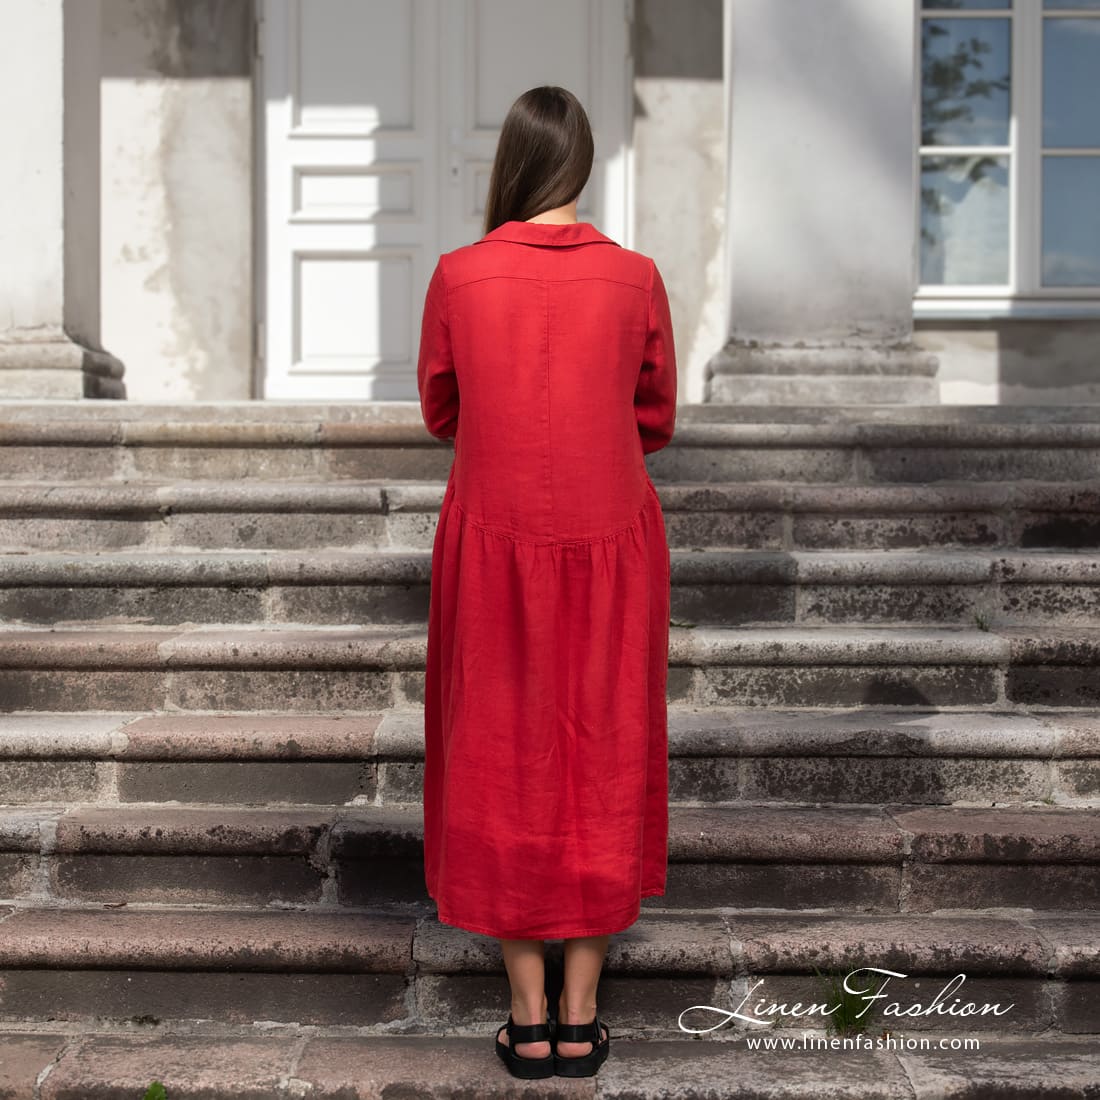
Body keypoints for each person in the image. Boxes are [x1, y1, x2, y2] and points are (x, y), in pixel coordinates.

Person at [416, 84, 677, 1080]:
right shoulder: (636, 277)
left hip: (492, 532)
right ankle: (580, 1012)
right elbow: (654, 415)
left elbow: (442, 406)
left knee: (498, 750)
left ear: (513, 164)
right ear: (584, 165)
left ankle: (526, 1018)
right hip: (609, 533)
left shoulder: (458, 274)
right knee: (603, 743)